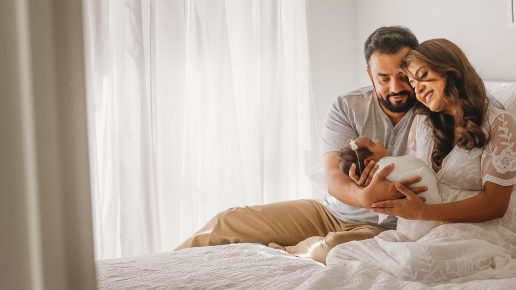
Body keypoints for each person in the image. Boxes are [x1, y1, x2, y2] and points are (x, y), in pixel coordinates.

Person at [176, 26, 427, 262]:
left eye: (403, 76)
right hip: (329, 212)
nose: (395, 88)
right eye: (383, 78)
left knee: (328, 249)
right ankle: (154, 271)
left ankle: (276, 254)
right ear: (369, 74)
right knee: (228, 220)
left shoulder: (432, 113)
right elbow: (333, 178)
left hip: (382, 226)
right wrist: (364, 197)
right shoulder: (348, 106)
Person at [326, 38, 516, 282]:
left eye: (422, 76)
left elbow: (495, 204)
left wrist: (425, 212)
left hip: (483, 225)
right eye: (412, 81)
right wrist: (379, 174)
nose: (416, 89)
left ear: (451, 72)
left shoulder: (499, 124)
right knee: (340, 255)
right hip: (428, 226)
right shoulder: (423, 121)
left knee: (415, 263)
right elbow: (416, 172)